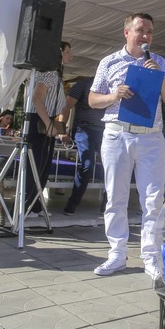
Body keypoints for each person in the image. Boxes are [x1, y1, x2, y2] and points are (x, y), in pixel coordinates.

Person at [88, 13, 165, 279]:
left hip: (151, 136)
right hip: (117, 134)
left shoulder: (159, 62)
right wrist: (114, 95)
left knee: (153, 200)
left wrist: (159, 77)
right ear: (126, 32)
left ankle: (151, 257)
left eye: (150, 31)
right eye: (140, 30)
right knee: (115, 197)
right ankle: (116, 255)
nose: (146, 36)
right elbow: (93, 99)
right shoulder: (109, 62)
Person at [24, 41, 72, 216]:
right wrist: (48, 123)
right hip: (40, 121)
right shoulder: (50, 73)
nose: (70, 56)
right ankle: (27, 205)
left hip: (47, 120)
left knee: (43, 165)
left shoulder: (56, 75)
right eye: (67, 52)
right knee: (36, 165)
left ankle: (35, 205)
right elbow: (37, 99)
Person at [60, 76, 106, 215]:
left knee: (112, 166)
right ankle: (72, 204)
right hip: (83, 129)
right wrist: (62, 130)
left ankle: (107, 206)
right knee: (87, 164)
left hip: (104, 131)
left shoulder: (111, 87)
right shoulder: (83, 84)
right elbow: (67, 106)